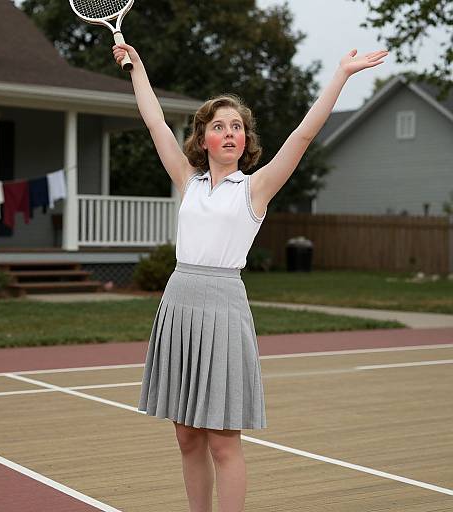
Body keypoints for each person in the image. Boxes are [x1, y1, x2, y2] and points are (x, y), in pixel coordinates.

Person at [113, 42, 388, 512]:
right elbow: (155, 121)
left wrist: (341, 75)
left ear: (245, 140)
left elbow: (302, 135)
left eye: (236, 127)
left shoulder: (255, 188)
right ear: (202, 139)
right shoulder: (188, 181)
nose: (228, 133)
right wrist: (137, 67)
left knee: (222, 440)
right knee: (185, 435)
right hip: (179, 303)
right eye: (218, 126)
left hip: (223, 309)